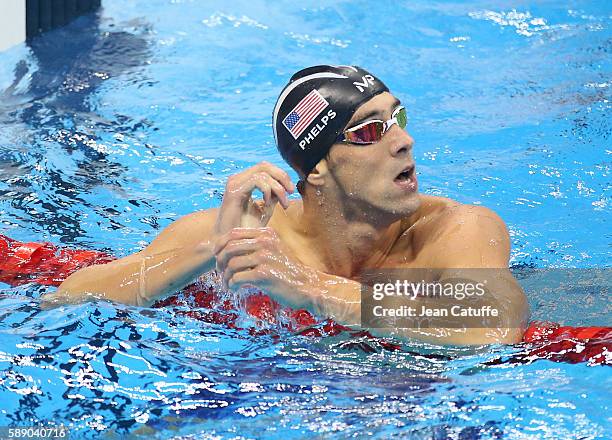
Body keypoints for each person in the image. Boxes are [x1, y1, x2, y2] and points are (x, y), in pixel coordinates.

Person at [46, 65, 529, 344]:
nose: (405, 141)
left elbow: (496, 324)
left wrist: (313, 289)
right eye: (369, 131)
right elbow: (68, 295)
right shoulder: (254, 234)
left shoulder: (456, 228)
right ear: (315, 168)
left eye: (396, 117)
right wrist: (214, 250)